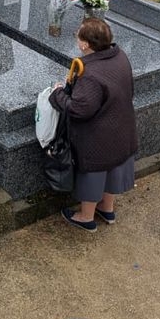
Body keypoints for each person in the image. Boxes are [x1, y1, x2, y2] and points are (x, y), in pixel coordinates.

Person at [49, 17, 138, 233]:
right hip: (122, 127)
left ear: (85, 44)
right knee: (114, 166)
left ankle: (85, 217)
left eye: (78, 35)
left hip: (98, 137)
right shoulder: (120, 56)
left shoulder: (90, 73)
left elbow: (80, 109)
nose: (76, 38)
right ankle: (107, 208)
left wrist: (57, 94)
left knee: (94, 173)